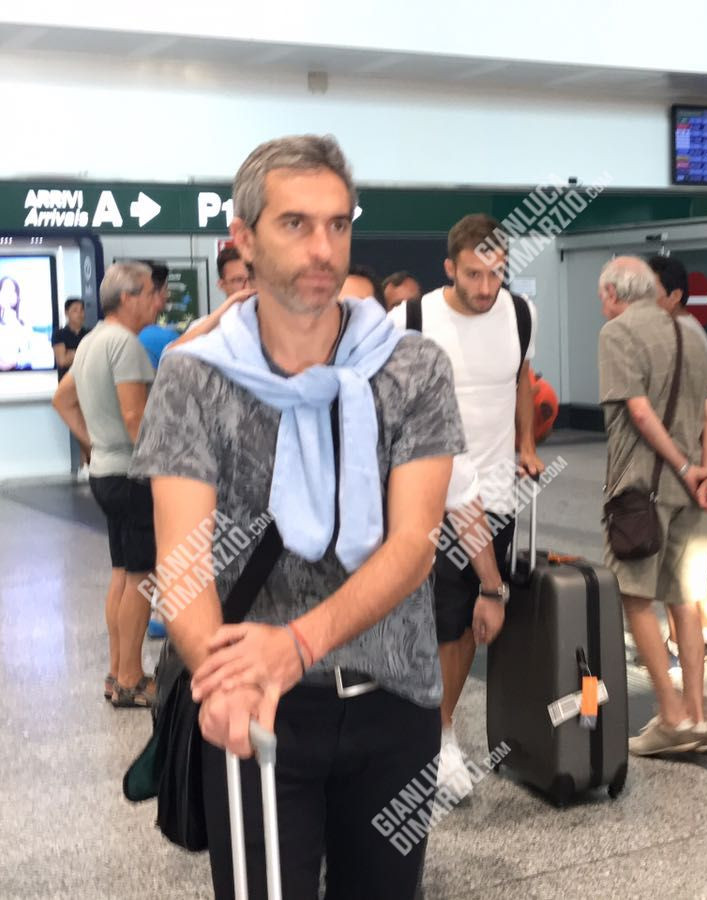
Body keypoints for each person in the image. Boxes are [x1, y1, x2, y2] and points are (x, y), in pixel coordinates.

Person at [133, 134, 462, 898]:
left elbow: (413, 545)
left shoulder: (411, 367)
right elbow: (182, 562)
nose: (323, 248)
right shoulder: (195, 377)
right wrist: (221, 676)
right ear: (243, 239)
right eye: (296, 224)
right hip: (259, 703)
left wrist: (298, 644)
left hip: (394, 700)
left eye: (338, 225)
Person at [387, 212, 544, 797]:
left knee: (468, 624)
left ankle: (441, 729)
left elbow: (521, 378)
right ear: (449, 267)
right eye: (473, 274)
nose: (485, 287)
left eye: (495, 274)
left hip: (494, 492)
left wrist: (527, 443)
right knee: (437, 618)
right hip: (429, 493)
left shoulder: (520, 314)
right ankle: (433, 736)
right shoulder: (412, 319)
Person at [597, 256, 707, 757]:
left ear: (613, 293)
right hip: (689, 491)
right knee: (685, 599)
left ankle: (671, 717)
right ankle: (697, 716)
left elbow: (639, 411)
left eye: (602, 298)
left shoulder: (617, 332)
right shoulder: (693, 333)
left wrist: (682, 466)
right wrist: (705, 472)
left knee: (633, 597)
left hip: (640, 489)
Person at [53, 261, 159, 708]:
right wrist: (164, 470)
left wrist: (95, 442)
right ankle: (132, 679)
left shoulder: (93, 340)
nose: (158, 301)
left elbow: (62, 399)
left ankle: (116, 672)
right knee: (143, 576)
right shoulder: (125, 345)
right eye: (152, 293)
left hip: (105, 473)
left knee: (122, 572)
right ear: (129, 297)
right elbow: (136, 418)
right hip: (132, 476)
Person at [645, 255, 707, 664]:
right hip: (689, 463)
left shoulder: (678, 335)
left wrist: (699, 470)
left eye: (650, 291)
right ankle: (704, 635)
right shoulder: (686, 330)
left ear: (675, 295)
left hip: (678, 463)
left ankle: (691, 639)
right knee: (684, 561)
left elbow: (703, 412)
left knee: (676, 564)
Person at [0, 276, 38, 371]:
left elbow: (31, 352)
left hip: (22, 368)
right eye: (5, 289)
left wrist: (15, 361)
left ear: (17, 296)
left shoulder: (23, 321)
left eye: (12, 290)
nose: (8, 294)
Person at [137, 262, 181, 369]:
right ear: (154, 293)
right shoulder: (167, 339)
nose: (167, 295)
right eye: (165, 288)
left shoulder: (120, 334)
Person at [52, 298, 87, 380]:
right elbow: (62, 361)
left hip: (86, 382)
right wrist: (85, 353)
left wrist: (71, 353)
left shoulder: (90, 334)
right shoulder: (59, 334)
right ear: (66, 313)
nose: (79, 314)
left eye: (82, 310)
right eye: (75, 310)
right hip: (67, 382)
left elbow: (95, 359)